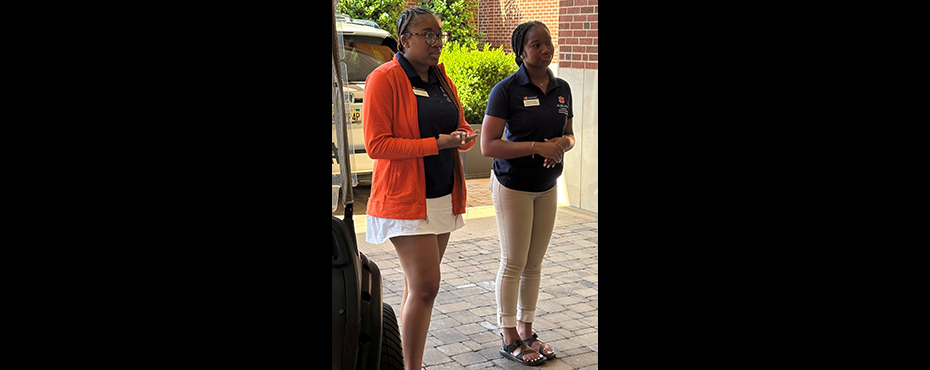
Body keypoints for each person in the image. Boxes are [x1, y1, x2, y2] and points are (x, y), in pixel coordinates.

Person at [362, 7, 479, 370]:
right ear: (405, 39)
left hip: (443, 194)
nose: (437, 42)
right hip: (404, 198)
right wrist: (437, 143)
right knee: (427, 285)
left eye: (439, 34)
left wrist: (463, 136)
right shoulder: (384, 78)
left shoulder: (442, 78)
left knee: (419, 288)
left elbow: (458, 122)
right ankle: (411, 367)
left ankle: (402, 360)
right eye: (427, 34)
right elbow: (377, 145)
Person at [480, 20, 575, 366]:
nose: (545, 49)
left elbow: (569, 135)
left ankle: (527, 330)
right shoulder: (506, 90)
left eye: (548, 43)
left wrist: (560, 145)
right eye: (536, 45)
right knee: (514, 262)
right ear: (521, 52)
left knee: (534, 264)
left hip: (546, 186)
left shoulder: (562, 88)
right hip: (513, 186)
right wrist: (538, 146)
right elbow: (488, 145)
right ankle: (508, 336)